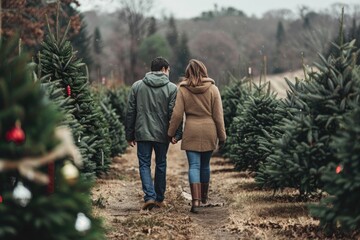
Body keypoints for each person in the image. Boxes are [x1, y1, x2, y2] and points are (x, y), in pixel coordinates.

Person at [168, 59, 226, 213]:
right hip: (209, 130)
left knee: (194, 165)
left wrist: (171, 133)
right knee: (205, 165)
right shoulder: (213, 89)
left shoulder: (183, 90)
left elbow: (177, 114)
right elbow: (218, 116)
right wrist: (222, 136)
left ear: (188, 73)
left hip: (191, 129)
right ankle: (204, 197)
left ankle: (196, 202)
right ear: (204, 71)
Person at [125, 57, 182, 210]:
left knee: (144, 164)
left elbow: (130, 112)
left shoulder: (137, 86)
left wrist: (129, 134)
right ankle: (159, 198)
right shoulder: (171, 88)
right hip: (162, 134)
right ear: (164, 69)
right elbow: (173, 113)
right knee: (161, 163)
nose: (169, 73)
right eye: (168, 70)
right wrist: (175, 134)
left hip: (142, 132)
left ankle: (149, 196)